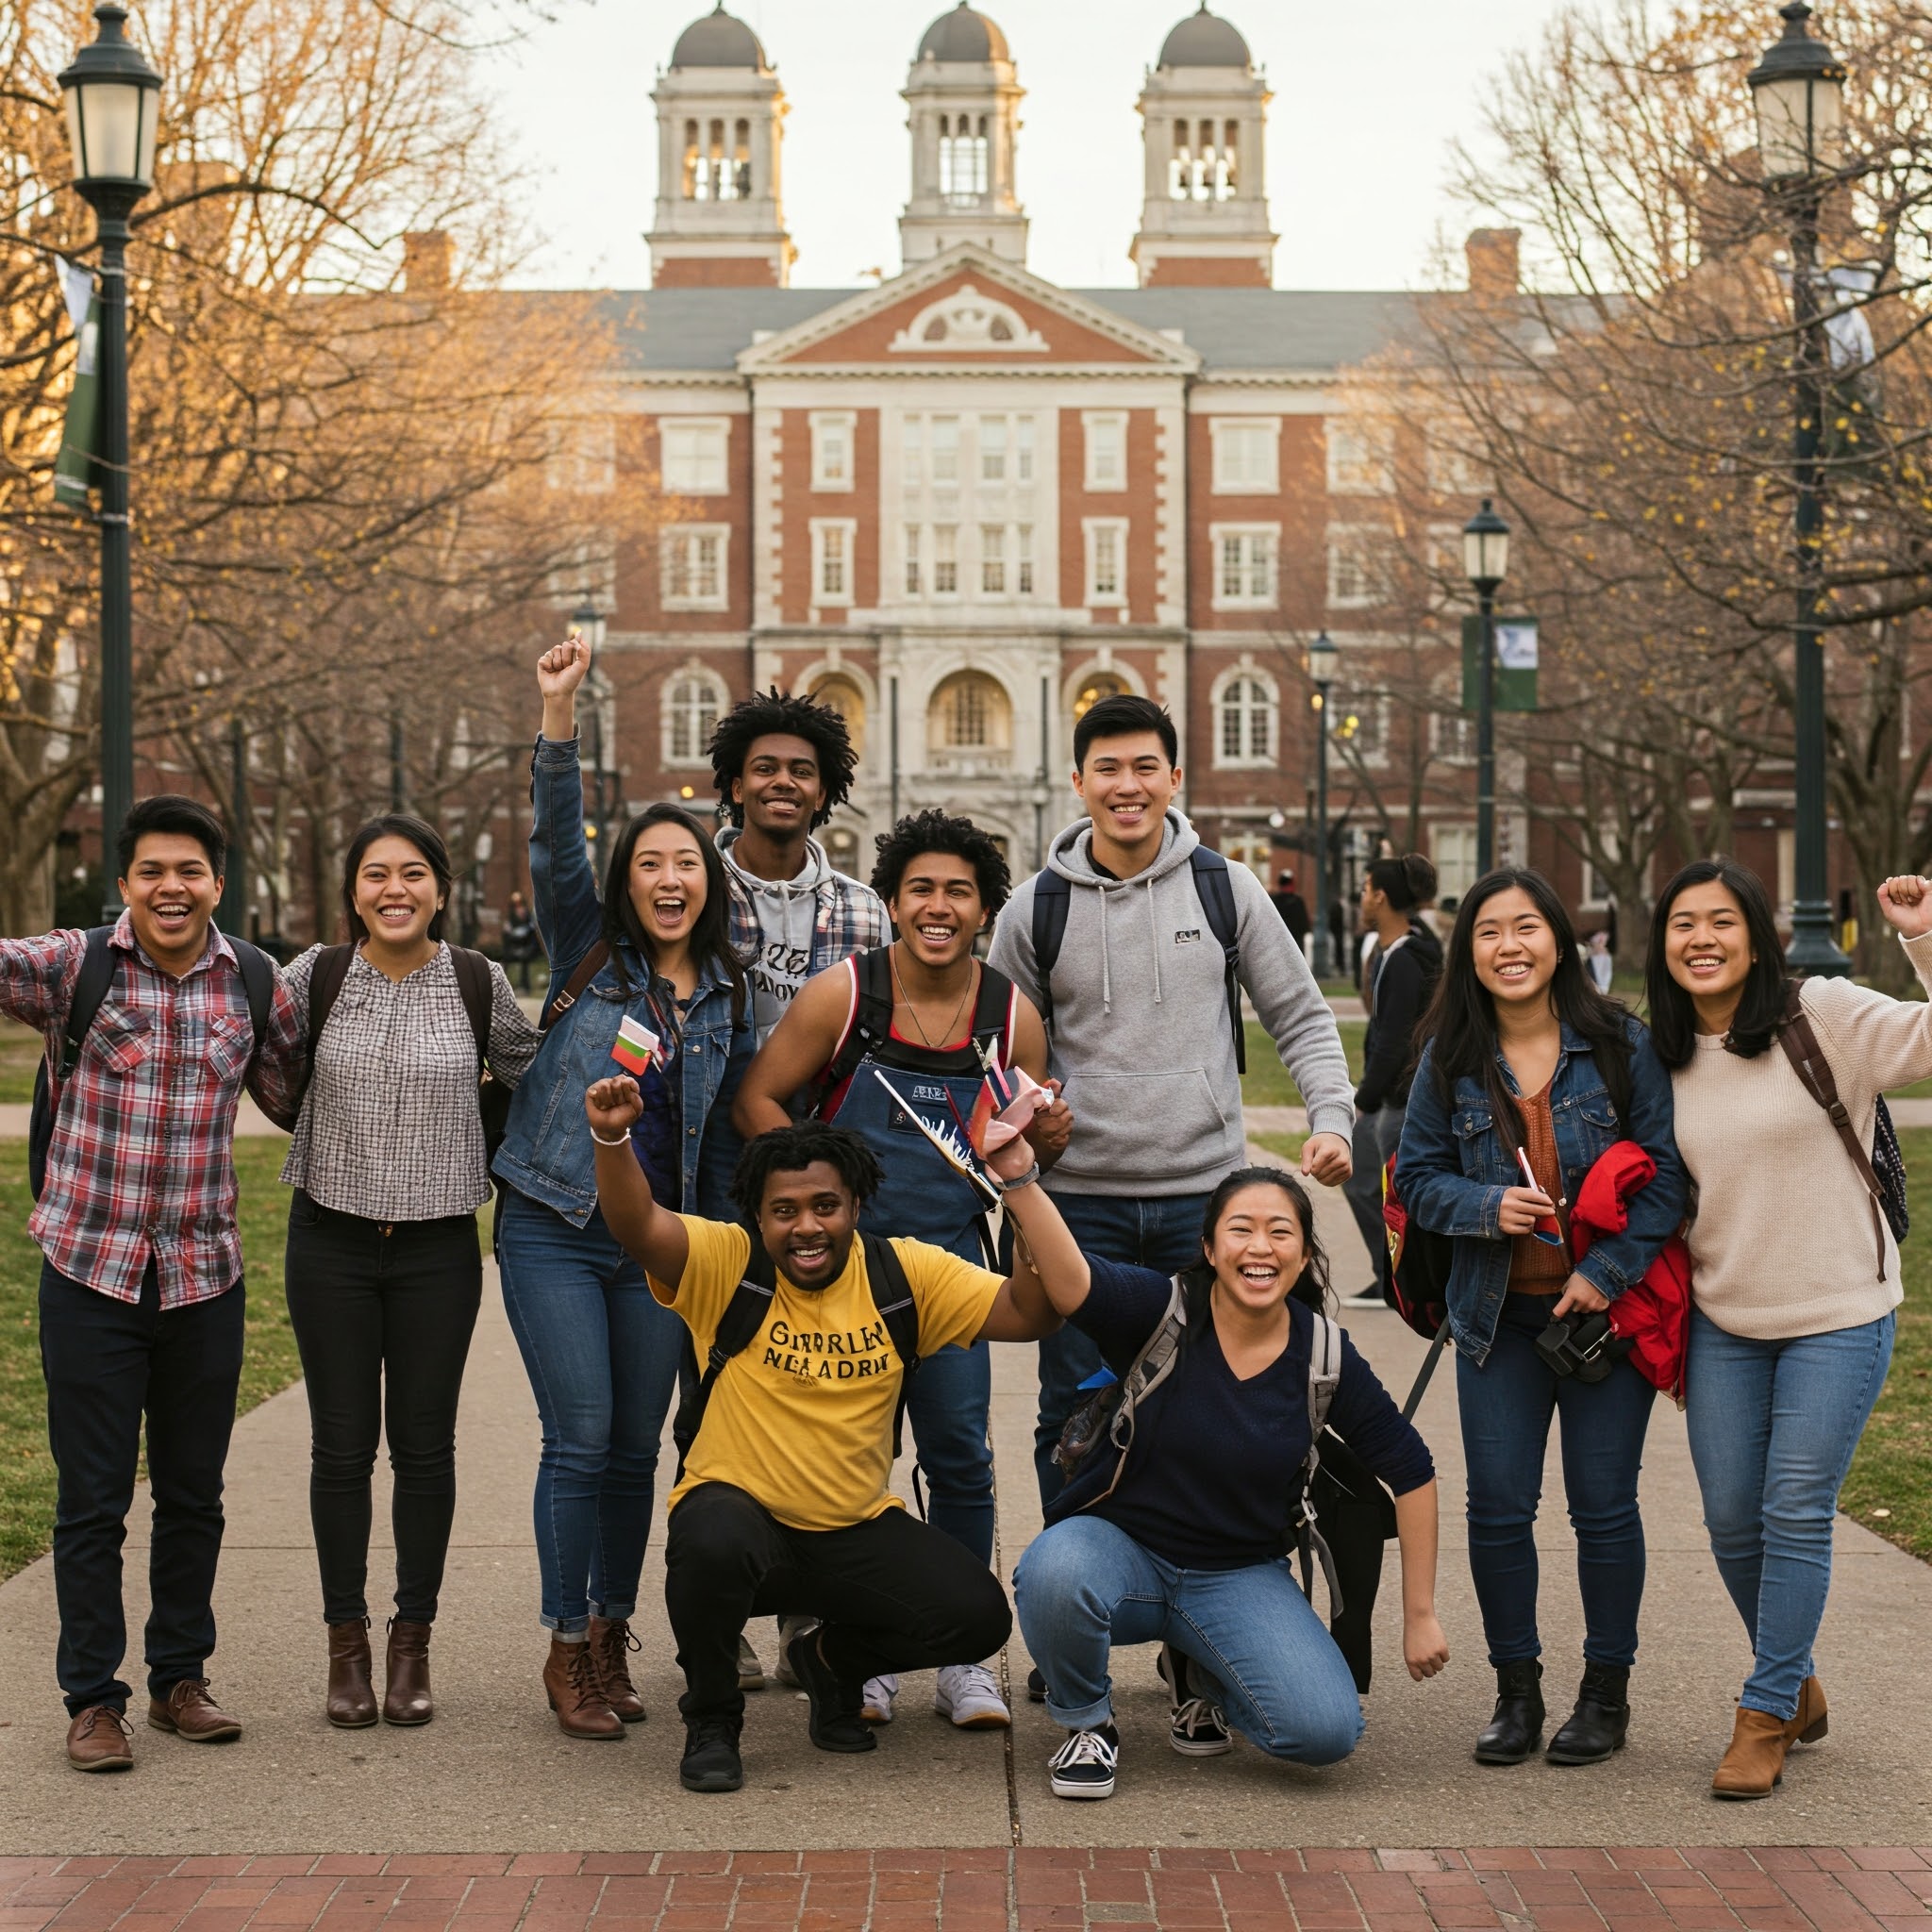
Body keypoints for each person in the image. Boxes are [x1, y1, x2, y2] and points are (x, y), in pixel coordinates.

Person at [580, 1107, 1061, 1793]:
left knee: (976, 1616)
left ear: (856, 1205)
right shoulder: (727, 1264)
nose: (806, 1226)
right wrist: (612, 1136)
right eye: (783, 1211)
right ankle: (713, 1718)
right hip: (743, 1528)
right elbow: (636, 1223)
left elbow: (1032, 1311)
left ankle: (830, 1661)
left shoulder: (905, 1275)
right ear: (758, 1216)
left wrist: (1019, 1190)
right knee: (710, 1535)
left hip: (853, 1530)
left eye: (825, 1206)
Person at [734, 808, 1074, 1730]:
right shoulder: (844, 997)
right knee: (854, 1464)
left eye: (956, 890)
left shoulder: (1012, 1016)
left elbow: (1024, 1149)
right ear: (889, 901)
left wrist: (1041, 1138)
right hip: (845, 1278)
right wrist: (810, 1184)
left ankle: (963, 1653)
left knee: (960, 1456)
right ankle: (873, 1645)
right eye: (919, 887)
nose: (937, 904)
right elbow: (756, 1094)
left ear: (982, 909)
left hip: (952, 1275)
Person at [988, 692, 1356, 1519]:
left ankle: (1190, 1623)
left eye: (1145, 767)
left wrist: (1331, 1120)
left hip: (1204, 1204)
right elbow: (1000, 1055)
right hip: (1078, 1211)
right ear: (1078, 782)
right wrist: (1027, 1127)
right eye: (1108, 769)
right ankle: (1071, 1627)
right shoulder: (1034, 909)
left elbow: (1300, 1014)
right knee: (1073, 1417)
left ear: (1174, 778)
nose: (1128, 785)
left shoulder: (1226, 890)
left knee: (1208, 1411)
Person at [1, 795, 304, 1773]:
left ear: (217, 881)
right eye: (151, 872)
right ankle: (93, 1698)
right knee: (92, 1500)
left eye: (190, 871)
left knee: (192, 1494)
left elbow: (300, 1096)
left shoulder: (255, 980)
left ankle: (180, 1678)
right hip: (89, 1271)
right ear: (124, 883)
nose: (171, 887)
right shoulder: (73, 966)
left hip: (203, 1277)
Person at [491, 629, 753, 1740]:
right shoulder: (589, 952)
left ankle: (609, 1628)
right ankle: (563, 1644)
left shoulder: (736, 1000)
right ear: (627, 881)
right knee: (581, 1434)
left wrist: (734, 1259)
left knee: (637, 1446)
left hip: (660, 1247)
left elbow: (737, 1148)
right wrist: (559, 717)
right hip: (554, 1220)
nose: (666, 877)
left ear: (708, 880)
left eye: (684, 862)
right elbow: (558, 846)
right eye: (649, 862)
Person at [1006, 1163, 1447, 1798]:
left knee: (1326, 1733)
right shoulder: (1161, 1310)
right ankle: (1087, 1721)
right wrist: (1019, 1178)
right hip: (1120, 1555)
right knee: (1052, 1574)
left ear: (1302, 1256)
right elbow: (1071, 1280)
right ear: (1210, 1249)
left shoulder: (1324, 1356)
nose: (1260, 1247)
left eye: (1280, 1232)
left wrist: (1421, 1615)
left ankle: (1201, 1673)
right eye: (1241, 1229)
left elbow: (1412, 1471)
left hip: (1238, 1575)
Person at [1647, 859, 1929, 1800]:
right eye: (1681, 922)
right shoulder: (1665, 1051)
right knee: (1730, 1517)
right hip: (1727, 1313)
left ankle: (1763, 1709)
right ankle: (1794, 1673)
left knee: (1793, 1507)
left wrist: (1921, 938)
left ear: (1757, 934)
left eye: (1720, 920)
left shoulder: (1824, 1012)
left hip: (1837, 1310)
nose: (1699, 938)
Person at [1397, 868, 1685, 1770]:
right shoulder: (1449, 1057)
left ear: (1560, 939)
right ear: (1468, 952)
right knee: (1500, 1510)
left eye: (1526, 928)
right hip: (1498, 1322)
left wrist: (1605, 1271)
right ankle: (1515, 1692)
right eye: (1488, 932)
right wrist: (1489, 1206)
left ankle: (1606, 1694)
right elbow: (1413, 1179)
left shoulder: (1619, 1044)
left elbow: (1670, 1178)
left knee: (1604, 1510)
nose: (1509, 947)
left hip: (1601, 1318)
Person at [279, 815, 541, 1728]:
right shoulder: (310, 977)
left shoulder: (478, 981)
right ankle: (344, 1642)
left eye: (414, 873)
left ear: (439, 887)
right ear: (353, 890)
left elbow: (530, 1073)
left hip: (436, 1248)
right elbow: (263, 1066)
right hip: (330, 1242)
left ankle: (410, 1641)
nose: (396, 888)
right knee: (341, 1449)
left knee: (424, 1449)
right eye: (376, 874)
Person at [709, 687, 888, 1050]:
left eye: (801, 771)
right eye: (765, 768)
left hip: (824, 1105)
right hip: (714, 1103)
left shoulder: (866, 909)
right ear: (739, 789)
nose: (784, 781)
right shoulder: (700, 894)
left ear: (820, 794)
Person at [1342, 855, 1442, 1307]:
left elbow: (1395, 1039)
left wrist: (1365, 1094)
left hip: (1399, 1099)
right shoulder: (1394, 951)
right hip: (1390, 1096)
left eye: (1365, 889)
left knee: (1386, 1189)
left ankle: (1402, 1281)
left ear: (1380, 897)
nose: (1362, 898)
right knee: (1360, 1178)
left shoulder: (1406, 959)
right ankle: (1389, 1275)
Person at [502, 889, 541, 994]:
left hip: (527, 949)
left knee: (525, 959)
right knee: (505, 958)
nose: (519, 909)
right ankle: (502, 985)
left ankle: (525, 987)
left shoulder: (528, 919)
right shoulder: (511, 918)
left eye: (520, 905)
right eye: (516, 906)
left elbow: (531, 937)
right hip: (514, 948)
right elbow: (508, 936)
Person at [1271, 869, 1311, 953]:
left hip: (1283, 941)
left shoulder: (1275, 900)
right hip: (1290, 941)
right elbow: (1304, 923)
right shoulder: (1297, 900)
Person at [1586, 930, 1615, 995]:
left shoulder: (1606, 956)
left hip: (1602, 984)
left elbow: (1607, 973)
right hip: (1594, 980)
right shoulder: (1591, 955)